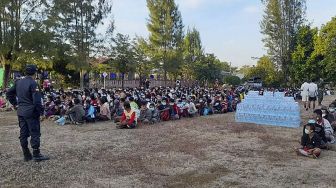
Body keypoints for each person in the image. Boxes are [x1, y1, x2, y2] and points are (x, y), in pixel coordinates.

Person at [6, 65, 49, 162]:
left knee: (23, 133)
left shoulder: (18, 82)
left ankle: (26, 154)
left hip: (21, 111)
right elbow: (37, 101)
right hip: (31, 112)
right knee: (35, 132)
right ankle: (36, 154)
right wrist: (41, 113)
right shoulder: (33, 83)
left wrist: (16, 104)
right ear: (35, 73)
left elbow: (9, 93)